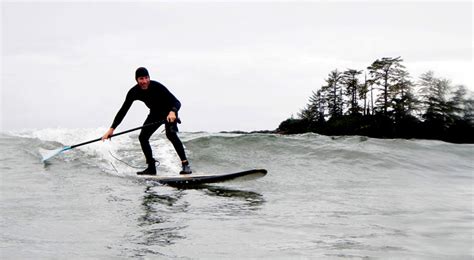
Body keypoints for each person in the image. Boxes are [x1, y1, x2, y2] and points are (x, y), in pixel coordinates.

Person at [102, 67, 192, 175]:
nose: (144, 81)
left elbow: (176, 102)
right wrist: (112, 129)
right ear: (137, 80)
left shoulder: (157, 86)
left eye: (146, 78)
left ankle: (185, 164)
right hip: (155, 114)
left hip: (169, 112)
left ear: (149, 78)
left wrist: (173, 112)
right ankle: (151, 168)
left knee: (171, 134)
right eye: (141, 78)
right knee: (143, 137)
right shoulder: (134, 92)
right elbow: (123, 111)